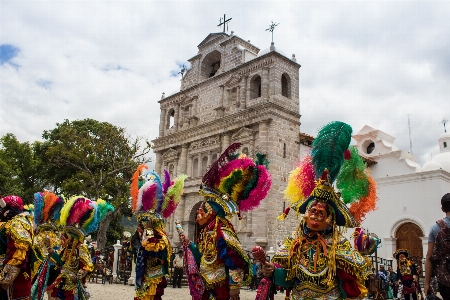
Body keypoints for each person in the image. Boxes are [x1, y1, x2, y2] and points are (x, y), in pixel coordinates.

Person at [262, 121, 376, 299]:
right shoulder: (294, 242)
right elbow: (288, 279)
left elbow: (353, 278)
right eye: (313, 211)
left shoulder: (338, 245)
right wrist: (272, 271)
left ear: (330, 218)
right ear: (306, 214)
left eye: (321, 213)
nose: (315, 215)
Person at [180, 143, 272, 300]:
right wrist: (189, 244)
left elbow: (234, 260)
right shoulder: (206, 232)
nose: (198, 214)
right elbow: (203, 256)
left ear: (213, 214)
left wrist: (234, 287)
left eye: (203, 211)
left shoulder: (222, 231)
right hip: (205, 284)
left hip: (220, 287)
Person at [130, 165, 187, 300]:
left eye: (145, 223)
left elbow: (153, 249)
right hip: (144, 273)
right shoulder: (141, 232)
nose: (142, 225)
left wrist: (149, 232)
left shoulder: (160, 236)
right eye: (142, 223)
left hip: (154, 274)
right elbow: (136, 247)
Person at [46, 197, 114, 300]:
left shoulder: (80, 249)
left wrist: (77, 276)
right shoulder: (66, 249)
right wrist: (52, 253)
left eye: (67, 236)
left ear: (74, 237)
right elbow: (61, 262)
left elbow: (88, 266)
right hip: (62, 279)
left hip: (72, 284)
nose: (64, 237)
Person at [30, 191, 64, 300]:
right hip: (54, 267)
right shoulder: (57, 237)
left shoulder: (38, 237)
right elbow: (60, 256)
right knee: (52, 293)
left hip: (39, 268)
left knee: (34, 292)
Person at [0, 195, 34, 300]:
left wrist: (5, 278)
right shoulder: (22, 221)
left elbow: (19, 253)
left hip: (14, 276)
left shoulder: (16, 223)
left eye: (3, 209)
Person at [425, 192, 450, 299]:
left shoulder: (435, 228)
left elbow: (429, 257)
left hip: (445, 279)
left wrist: (426, 283)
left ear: (442, 209)